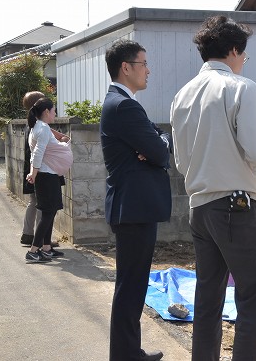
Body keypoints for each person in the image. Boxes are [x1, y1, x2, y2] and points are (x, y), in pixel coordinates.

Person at [170, 15, 256, 361]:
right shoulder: (241, 88)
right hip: (238, 207)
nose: (244, 62)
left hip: (200, 206)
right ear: (233, 50)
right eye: (244, 55)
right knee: (252, 299)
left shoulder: (182, 95)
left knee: (208, 299)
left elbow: (181, 162)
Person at [100, 39, 173, 361]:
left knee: (133, 284)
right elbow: (159, 151)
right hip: (133, 207)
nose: (148, 71)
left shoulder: (123, 104)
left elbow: (158, 141)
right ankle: (126, 355)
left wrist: (157, 142)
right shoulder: (124, 106)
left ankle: (129, 352)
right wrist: (157, 145)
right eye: (143, 64)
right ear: (126, 67)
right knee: (130, 286)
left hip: (132, 207)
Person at [20, 90, 68, 254]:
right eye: (54, 109)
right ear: (46, 111)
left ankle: (46, 247)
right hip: (46, 175)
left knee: (50, 211)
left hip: (48, 173)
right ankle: (33, 251)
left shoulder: (37, 127)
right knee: (47, 213)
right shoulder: (42, 128)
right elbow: (37, 153)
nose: (55, 113)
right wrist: (33, 174)